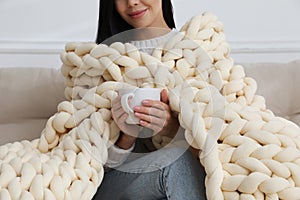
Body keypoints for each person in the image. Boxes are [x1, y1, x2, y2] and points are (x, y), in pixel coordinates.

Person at [92, 0, 207, 199]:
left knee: (178, 161)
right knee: (174, 161)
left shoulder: (200, 50)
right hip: (117, 183)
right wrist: (126, 139)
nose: (132, 2)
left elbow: (219, 148)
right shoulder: (100, 62)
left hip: (183, 179)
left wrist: (171, 129)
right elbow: (89, 165)